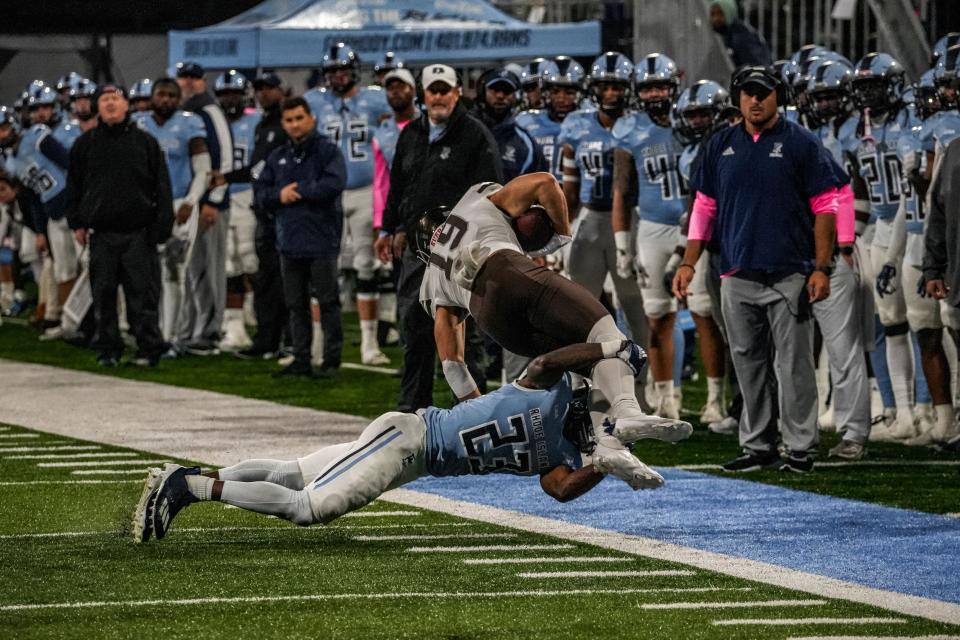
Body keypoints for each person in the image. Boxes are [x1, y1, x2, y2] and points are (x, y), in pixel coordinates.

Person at [135, 339, 671, 542]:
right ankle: (191, 487)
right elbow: (547, 361)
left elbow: (557, 490)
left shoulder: (562, 453)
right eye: (596, 422)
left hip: (411, 451)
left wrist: (606, 467)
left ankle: (194, 479)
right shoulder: (549, 390)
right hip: (411, 439)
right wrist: (609, 347)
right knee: (308, 508)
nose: (594, 430)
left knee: (297, 472)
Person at [417, 172, 692, 453]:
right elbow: (545, 183)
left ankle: (607, 441)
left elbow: (452, 364)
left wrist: (477, 416)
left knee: (582, 362)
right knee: (608, 338)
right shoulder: (473, 200)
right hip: (509, 271)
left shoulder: (432, 279)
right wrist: (559, 238)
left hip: (492, 320)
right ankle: (626, 413)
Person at [674, 66, 838, 473]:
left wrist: (822, 267)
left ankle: (800, 448)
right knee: (747, 362)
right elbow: (704, 208)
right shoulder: (720, 145)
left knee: (794, 363)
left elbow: (825, 207)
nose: (755, 100)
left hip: (790, 272)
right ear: (737, 98)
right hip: (736, 271)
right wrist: (689, 261)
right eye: (748, 93)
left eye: (762, 93)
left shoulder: (801, 142)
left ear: (777, 96)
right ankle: (758, 445)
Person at [374, 64, 502, 412]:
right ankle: (412, 409)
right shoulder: (412, 133)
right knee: (414, 328)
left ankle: (472, 413)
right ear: (423, 94)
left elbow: (490, 191)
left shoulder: (474, 134)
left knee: (464, 331)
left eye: (446, 89)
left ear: (458, 92)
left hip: (461, 248)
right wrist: (391, 227)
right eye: (433, 90)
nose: (439, 96)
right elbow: (398, 185)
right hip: (417, 246)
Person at [65, 83, 172, 367]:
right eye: (104, 99)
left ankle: (149, 349)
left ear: (127, 105)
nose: (110, 104)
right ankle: (109, 349)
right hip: (102, 234)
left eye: (116, 99)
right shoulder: (84, 145)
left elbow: (161, 187)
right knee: (104, 296)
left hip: (139, 233)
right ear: (96, 106)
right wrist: (76, 222)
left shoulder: (146, 143)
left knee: (143, 297)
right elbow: (74, 186)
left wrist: (162, 227)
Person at [560, 52, 648, 367]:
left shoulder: (641, 125)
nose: (611, 93)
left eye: (617, 86)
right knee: (580, 311)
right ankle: (584, 383)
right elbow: (569, 189)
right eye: (604, 86)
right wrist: (559, 235)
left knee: (637, 308)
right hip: (590, 219)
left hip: (631, 220)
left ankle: (646, 384)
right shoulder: (576, 125)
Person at [307, 43, 393, 366]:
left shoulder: (374, 98)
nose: (338, 76)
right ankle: (317, 344)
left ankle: (369, 344)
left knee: (366, 267)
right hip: (329, 194)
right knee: (322, 268)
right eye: (333, 71)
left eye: (343, 70)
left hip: (365, 190)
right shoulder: (315, 102)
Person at [612, 52, 686, 420]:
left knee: (708, 315)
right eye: (649, 87)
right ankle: (666, 395)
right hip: (654, 228)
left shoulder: (691, 119)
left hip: (698, 225)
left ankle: (721, 397)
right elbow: (622, 192)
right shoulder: (630, 130)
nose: (656, 94)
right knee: (658, 317)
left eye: (661, 86)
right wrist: (623, 244)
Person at [254, 96, 345, 378]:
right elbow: (260, 193)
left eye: (299, 118)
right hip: (289, 241)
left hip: (321, 239)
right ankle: (301, 358)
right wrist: (279, 195)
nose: (294, 124)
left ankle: (331, 360)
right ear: (283, 123)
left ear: (311, 118)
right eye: (289, 120)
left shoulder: (327, 151)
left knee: (328, 301)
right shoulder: (277, 156)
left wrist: (299, 192)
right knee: (296, 305)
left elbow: (334, 183)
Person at [212, 71, 290, 361]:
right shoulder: (261, 124)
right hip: (256, 200)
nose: (264, 93)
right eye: (261, 89)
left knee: (263, 269)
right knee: (246, 267)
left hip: (269, 203)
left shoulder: (272, 121)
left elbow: (262, 168)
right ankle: (260, 333)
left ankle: (281, 336)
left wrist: (229, 177)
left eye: (270, 88)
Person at [132, 78, 211, 344]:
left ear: (179, 99)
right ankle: (152, 331)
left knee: (173, 272)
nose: (165, 100)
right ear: (152, 97)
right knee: (148, 275)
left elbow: (203, 169)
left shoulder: (190, 123)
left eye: (170, 95)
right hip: (147, 206)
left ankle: (171, 335)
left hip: (179, 204)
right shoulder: (139, 124)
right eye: (160, 94)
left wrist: (191, 200)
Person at [173, 61, 234, 356]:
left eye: (193, 78)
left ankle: (208, 333)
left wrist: (214, 201)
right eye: (183, 77)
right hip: (190, 203)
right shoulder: (186, 113)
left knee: (209, 268)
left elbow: (224, 158)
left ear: (203, 81)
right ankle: (189, 331)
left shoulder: (208, 109)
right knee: (193, 268)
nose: (187, 82)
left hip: (209, 203)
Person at [214, 70, 260, 353]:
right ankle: (235, 325)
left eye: (235, 93)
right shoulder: (214, 122)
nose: (230, 99)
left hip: (246, 195)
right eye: (225, 94)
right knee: (229, 264)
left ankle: (260, 313)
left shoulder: (255, 121)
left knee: (251, 259)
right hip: (221, 198)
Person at [709, 0, 772, 68]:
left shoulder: (741, 37)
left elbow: (758, 67)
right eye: (713, 14)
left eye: (720, 13)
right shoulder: (728, 35)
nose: (715, 19)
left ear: (729, 12)